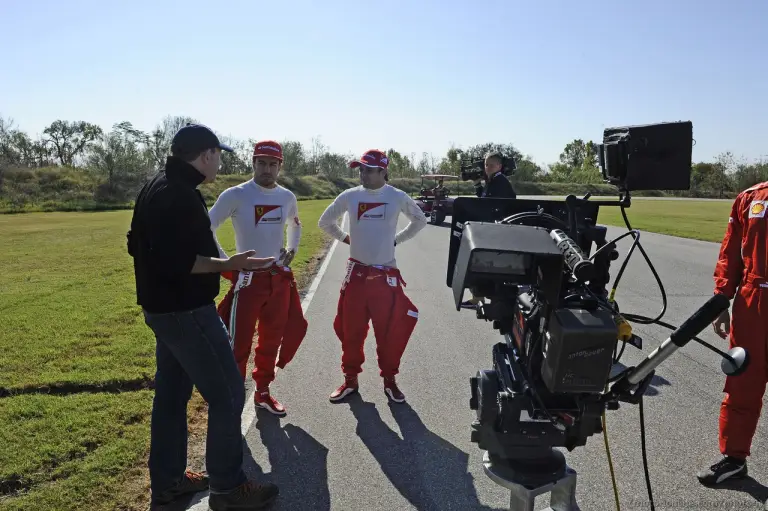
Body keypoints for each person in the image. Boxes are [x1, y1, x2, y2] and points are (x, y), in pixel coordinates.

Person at [127, 123, 280, 510]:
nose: (218, 164)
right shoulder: (176, 195)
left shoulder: (157, 184)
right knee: (228, 392)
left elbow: (139, 246)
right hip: (185, 311)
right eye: (218, 156)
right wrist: (230, 263)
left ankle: (170, 483)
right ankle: (229, 489)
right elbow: (179, 262)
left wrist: (226, 263)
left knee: (172, 397)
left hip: (163, 310)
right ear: (206, 154)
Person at [318, 149, 427, 403]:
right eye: (361, 169)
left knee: (388, 333)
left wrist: (395, 241)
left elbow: (419, 220)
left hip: (385, 278)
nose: (362, 174)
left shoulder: (397, 196)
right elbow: (326, 221)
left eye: (368, 169)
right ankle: (350, 381)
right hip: (356, 276)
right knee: (351, 332)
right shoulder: (350, 196)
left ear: (383, 172)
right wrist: (346, 239)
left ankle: (390, 381)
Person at [209, 140, 308, 417]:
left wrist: (292, 249)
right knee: (238, 343)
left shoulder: (287, 197)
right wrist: (227, 262)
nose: (267, 169)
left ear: (280, 166)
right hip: (248, 281)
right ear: (252, 163)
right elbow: (207, 226)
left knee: (271, 340)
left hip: (277, 279)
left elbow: (294, 224)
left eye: (272, 164)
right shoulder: (235, 195)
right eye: (261, 163)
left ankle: (262, 392)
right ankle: (233, 398)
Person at [698, 181, 768, 486]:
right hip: (753, 303)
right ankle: (734, 460)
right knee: (742, 383)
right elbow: (730, 253)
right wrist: (720, 300)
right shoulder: (751, 198)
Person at [460, 151, 518, 309]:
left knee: (485, 264)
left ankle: (485, 299)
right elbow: (484, 201)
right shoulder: (492, 181)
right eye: (486, 164)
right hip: (491, 230)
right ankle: (477, 298)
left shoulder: (500, 182)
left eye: (491, 165)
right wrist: (478, 185)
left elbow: (493, 206)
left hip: (498, 231)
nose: (488, 167)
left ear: (499, 166)